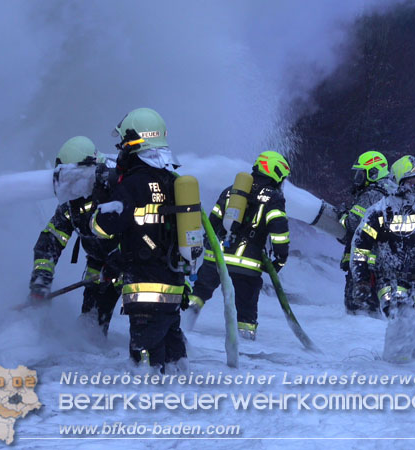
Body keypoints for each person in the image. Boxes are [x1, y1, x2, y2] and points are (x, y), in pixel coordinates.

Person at [91, 107, 190, 371]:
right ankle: (187, 410)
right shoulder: (173, 181)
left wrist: (102, 195)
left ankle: (150, 411)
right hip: (173, 289)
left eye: (124, 143)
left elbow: (102, 228)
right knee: (176, 367)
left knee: (146, 371)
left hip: (146, 293)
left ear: (135, 142)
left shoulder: (132, 185)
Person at [191, 151, 291, 340]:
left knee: (199, 294)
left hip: (216, 259)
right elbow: (279, 230)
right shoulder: (274, 197)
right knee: (246, 308)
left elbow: (213, 220)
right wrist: (280, 258)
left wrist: (208, 243)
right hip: (247, 265)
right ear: (276, 172)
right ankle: (245, 344)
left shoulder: (232, 190)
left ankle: (184, 324)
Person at [351, 155, 415, 365]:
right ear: (399, 183)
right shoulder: (380, 211)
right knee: (402, 318)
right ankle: (394, 372)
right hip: (390, 281)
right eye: (412, 182)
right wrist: (362, 279)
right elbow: (360, 246)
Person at [29, 136, 121, 334]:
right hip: (99, 266)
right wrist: (41, 278)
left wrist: (119, 258)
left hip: (133, 264)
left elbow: (140, 228)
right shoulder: (72, 202)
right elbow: (51, 239)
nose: (69, 186)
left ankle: (164, 354)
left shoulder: (117, 188)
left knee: (149, 319)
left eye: (73, 179)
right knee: (91, 328)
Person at [339, 150, 396, 315]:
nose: (358, 178)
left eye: (361, 173)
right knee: (381, 308)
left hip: (366, 262)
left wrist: (342, 216)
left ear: (373, 172)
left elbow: (353, 223)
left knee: (359, 309)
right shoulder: (394, 191)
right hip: (389, 263)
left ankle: (361, 337)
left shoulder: (370, 194)